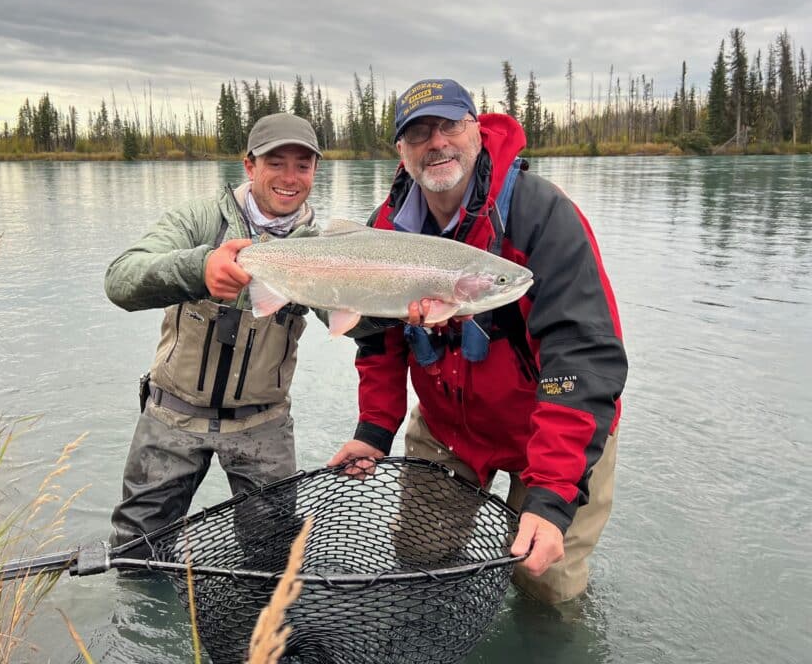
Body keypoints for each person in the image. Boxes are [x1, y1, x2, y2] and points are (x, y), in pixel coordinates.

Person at [329, 78, 627, 605]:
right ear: (401, 150)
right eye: (419, 132)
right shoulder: (386, 228)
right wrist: (375, 430)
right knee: (420, 566)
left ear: (476, 128)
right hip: (448, 429)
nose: (437, 142)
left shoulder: (543, 218)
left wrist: (554, 494)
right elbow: (378, 344)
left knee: (546, 589)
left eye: (450, 125)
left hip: (553, 429)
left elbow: (582, 360)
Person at [105, 112, 321, 555]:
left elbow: (364, 332)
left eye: (302, 164)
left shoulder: (318, 245)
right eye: (275, 162)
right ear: (249, 165)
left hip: (264, 425)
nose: (289, 177)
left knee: (270, 564)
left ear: (315, 170)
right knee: (135, 554)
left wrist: (412, 310)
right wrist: (199, 269)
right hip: (171, 418)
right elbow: (121, 280)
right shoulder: (199, 220)